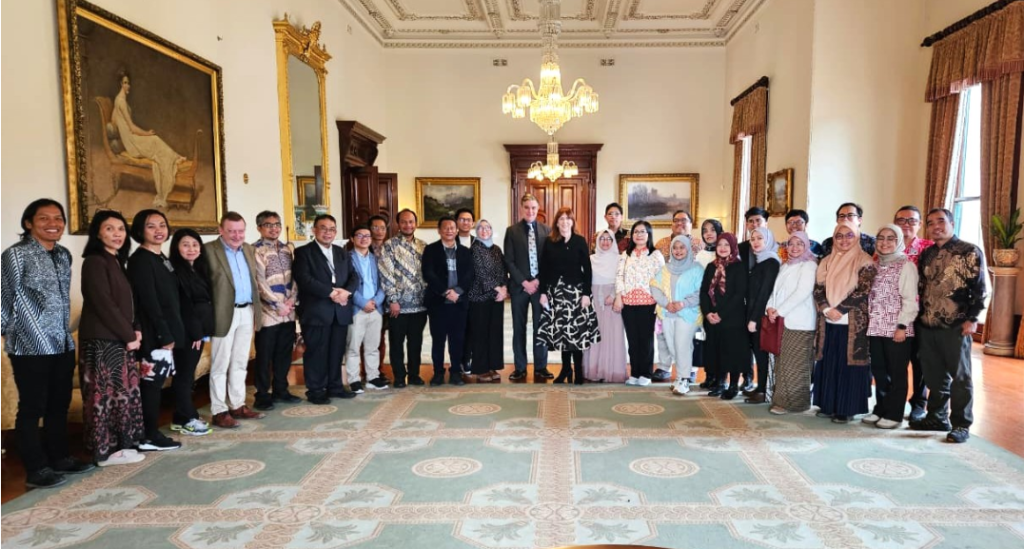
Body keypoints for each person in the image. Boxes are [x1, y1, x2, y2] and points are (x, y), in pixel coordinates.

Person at [2, 199, 96, 487]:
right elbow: (4, 297)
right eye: (44, 218)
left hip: (61, 342)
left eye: (58, 218)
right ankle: (36, 469)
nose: (53, 223)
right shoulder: (15, 255)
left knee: (59, 403)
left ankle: (60, 458)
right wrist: (6, 332)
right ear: (28, 223)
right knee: (32, 407)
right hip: (29, 345)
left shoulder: (63, 255)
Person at [79, 211, 146, 466]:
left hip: (119, 339)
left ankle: (120, 446)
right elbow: (103, 304)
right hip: (102, 341)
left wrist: (136, 329)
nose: (117, 234)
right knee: (103, 398)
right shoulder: (94, 261)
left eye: (121, 229)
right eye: (109, 229)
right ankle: (104, 452)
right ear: (97, 233)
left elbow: (129, 302)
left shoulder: (117, 260)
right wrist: (128, 335)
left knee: (121, 396)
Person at [913, 208, 986, 443]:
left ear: (952, 223)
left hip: (956, 324)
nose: (936, 226)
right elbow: (922, 287)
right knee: (934, 376)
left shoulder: (969, 251)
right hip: (927, 323)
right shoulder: (927, 253)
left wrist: (972, 319)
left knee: (960, 377)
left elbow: (979, 288)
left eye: (941, 221)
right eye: (930, 223)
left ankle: (961, 424)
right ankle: (936, 417)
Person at [127, 209, 183, 450]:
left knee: (156, 384)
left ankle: (150, 432)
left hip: (165, 331)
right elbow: (148, 302)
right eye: (151, 226)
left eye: (162, 225)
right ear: (140, 230)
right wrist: (164, 334)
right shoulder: (140, 260)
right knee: (150, 385)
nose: (158, 230)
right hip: (153, 334)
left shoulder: (161, 258)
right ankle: (149, 435)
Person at [203, 212, 265, 428]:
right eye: (231, 231)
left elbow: (254, 282)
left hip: (247, 310)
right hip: (222, 313)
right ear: (221, 230)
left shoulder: (248, 249)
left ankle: (237, 405)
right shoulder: (209, 250)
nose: (237, 236)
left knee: (240, 361)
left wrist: (256, 313)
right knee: (220, 363)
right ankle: (219, 410)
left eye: (241, 231)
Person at [812, 225, 876, 424]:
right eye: (839, 236)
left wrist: (840, 309)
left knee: (849, 366)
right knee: (829, 362)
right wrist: (826, 309)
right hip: (828, 321)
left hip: (853, 323)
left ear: (857, 237)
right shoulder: (826, 261)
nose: (844, 240)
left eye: (849, 235)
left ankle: (846, 409)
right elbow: (818, 289)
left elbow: (863, 290)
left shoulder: (865, 261)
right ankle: (827, 404)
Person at [293, 215, 360, 404]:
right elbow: (304, 279)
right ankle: (316, 390)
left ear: (336, 232)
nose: (327, 232)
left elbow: (354, 276)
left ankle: (335, 387)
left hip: (340, 310)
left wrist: (346, 292)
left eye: (331, 229)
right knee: (317, 352)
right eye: (323, 228)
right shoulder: (303, 252)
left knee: (336, 351)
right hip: (317, 310)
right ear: (314, 230)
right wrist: (331, 293)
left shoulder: (341, 252)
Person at [864, 225, 919, 430]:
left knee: (896, 373)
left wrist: (902, 326)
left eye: (891, 238)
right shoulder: (876, 265)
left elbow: (910, 300)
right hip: (876, 327)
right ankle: (881, 409)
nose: (885, 243)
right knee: (879, 371)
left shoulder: (906, 265)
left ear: (899, 242)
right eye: (881, 238)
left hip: (898, 329)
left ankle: (895, 414)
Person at [537, 208, 600, 385]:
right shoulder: (549, 242)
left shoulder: (580, 241)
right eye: (561, 219)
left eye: (568, 219)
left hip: (576, 293)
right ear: (556, 223)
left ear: (572, 222)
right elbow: (544, 269)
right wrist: (543, 293)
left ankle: (578, 371)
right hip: (556, 293)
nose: (565, 222)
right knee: (562, 332)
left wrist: (586, 294)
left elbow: (587, 270)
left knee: (576, 333)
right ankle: (565, 369)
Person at [112, 69, 188, 209]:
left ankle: (175, 157)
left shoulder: (119, 100)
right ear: (120, 84)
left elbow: (114, 120)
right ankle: (175, 158)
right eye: (125, 83)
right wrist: (146, 133)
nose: (128, 85)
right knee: (154, 139)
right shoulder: (120, 101)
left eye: (128, 83)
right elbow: (132, 128)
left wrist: (120, 127)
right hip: (132, 143)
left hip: (131, 138)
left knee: (156, 143)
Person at [765, 231, 818, 414]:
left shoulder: (809, 265)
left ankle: (797, 403)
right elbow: (775, 291)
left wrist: (779, 311)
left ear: (806, 246)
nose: (794, 248)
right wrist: (769, 308)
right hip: (782, 321)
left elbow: (802, 292)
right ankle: (781, 400)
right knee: (782, 363)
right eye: (791, 244)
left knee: (795, 364)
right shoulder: (786, 265)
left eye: (799, 244)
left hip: (800, 323)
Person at [168, 229, 214, 436]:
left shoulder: (198, 269)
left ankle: (179, 417)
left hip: (199, 331)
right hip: (187, 332)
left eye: (195, 245)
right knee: (184, 376)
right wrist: (195, 333)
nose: (191, 249)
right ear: (176, 247)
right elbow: (184, 306)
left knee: (187, 374)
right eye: (185, 245)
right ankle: (188, 418)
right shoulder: (175, 272)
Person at [252, 211, 299, 411]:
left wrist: (291, 300)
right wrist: (277, 304)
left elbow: (295, 277)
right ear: (259, 228)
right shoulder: (255, 250)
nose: (274, 228)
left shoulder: (288, 249)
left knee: (284, 354)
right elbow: (259, 282)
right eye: (268, 225)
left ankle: (281, 390)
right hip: (268, 313)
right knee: (264, 356)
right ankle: (262, 394)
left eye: (277, 224)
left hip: (288, 311)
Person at [504, 194, 553, 382]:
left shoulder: (547, 230)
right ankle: (520, 368)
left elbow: (549, 260)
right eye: (527, 207)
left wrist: (538, 281)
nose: (530, 211)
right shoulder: (512, 231)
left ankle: (541, 367)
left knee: (540, 327)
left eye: (533, 207)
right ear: (521, 209)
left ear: (537, 209)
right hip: (519, 288)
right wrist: (524, 282)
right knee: (519, 328)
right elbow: (509, 260)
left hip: (540, 288)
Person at [422, 216, 475, 386]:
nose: (449, 230)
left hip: (459, 303)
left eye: (452, 227)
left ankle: (455, 372)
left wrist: (457, 291)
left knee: (457, 340)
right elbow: (428, 274)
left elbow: (470, 275)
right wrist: (445, 292)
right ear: (439, 230)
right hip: (438, 303)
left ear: (457, 230)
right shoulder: (431, 250)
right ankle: (438, 373)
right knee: (438, 340)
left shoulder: (465, 251)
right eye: (445, 227)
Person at [379, 209, 428, 388]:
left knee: (416, 342)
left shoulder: (423, 246)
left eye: (411, 221)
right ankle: (399, 376)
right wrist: (392, 300)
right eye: (404, 222)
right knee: (396, 342)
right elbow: (386, 274)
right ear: (398, 224)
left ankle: (414, 374)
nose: (408, 225)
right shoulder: (389, 245)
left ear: (416, 223)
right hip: (397, 305)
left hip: (420, 304)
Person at [894, 205, 934, 421]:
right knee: (896, 361)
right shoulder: (887, 247)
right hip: (893, 314)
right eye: (901, 220)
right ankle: (894, 402)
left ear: (919, 224)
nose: (906, 224)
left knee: (920, 361)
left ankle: (919, 403)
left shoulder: (929, 248)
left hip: (921, 314)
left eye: (911, 220)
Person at [651, 235, 704, 395]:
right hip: (668, 313)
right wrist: (666, 303)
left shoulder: (697, 268)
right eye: (675, 247)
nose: (678, 251)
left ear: (688, 249)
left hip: (688, 314)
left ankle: (684, 379)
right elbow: (654, 286)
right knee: (673, 347)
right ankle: (680, 377)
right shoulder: (666, 269)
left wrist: (683, 303)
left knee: (682, 346)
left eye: (682, 247)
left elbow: (701, 291)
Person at [616, 220, 666, 386]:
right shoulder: (625, 254)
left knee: (645, 340)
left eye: (642, 231)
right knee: (632, 340)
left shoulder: (655, 255)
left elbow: (662, 279)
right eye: (636, 232)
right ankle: (635, 373)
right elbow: (619, 276)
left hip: (648, 303)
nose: (639, 235)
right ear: (632, 235)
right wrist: (619, 296)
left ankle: (646, 373)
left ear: (648, 234)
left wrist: (660, 302)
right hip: (628, 303)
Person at [700, 233, 748, 399]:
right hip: (712, 318)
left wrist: (720, 314)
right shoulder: (711, 266)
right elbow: (704, 292)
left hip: (732, 317)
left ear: (733, 247)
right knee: (717, 351)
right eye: (720, 244)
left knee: (732, 352)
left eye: (727, 245)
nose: (722, 248)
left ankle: (733, 385)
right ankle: (720, 383)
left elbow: (739, 294)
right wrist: (707, 313)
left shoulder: (739, 266)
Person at [346, 224, 388, 392]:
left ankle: (373, 377)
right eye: (360, 235)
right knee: (353, 346)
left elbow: (383, 283)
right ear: (352, 238)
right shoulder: (346, 258)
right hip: (357, 308)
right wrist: (362, 302)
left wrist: (376, 301)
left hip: (376, 308)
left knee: (373, 346)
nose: (364, 239)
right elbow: (345, 284)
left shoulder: (376, 258)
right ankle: (354, 380)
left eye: (367, 236)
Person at [583, 230, 628, 383]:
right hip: (594, 300)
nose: (605, 242)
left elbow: (623, 279)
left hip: (613, 300)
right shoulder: (590, 259)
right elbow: (585, 280)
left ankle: (612, 371)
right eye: (602, 238)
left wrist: (614, 295)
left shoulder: (620, 259)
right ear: (597, 241)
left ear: (613, 241)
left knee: (613, 335)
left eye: (609, 239)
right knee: (595, 334)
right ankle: (594, 370)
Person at [466, 219, 508, 383]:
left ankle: (492, 366)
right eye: (481, 228)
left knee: (494, 334)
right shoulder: (474, 249)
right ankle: (481, 369)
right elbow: (480, 273)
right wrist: (498, 288)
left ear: (491, 230)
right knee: (480, 334)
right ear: (476, 231)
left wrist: (504, 288)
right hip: (479, 298)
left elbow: (504, 270)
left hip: (496, 299)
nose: (484, 230)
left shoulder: (496, 249)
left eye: (487, 228)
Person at [742, 227, 781, 404]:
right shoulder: (760, 261)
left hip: (761, 317)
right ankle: (760, 388)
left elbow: (764, 293)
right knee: (758, 354)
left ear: (768, 240)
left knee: (762, 355)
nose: (756, 242)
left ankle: (764, 391)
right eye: (753, 239)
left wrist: (754, 319)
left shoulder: (771, 262)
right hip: (754, 314)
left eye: (760, 238)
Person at [695, 218, 723, 389]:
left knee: (721, 344)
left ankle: (720, 378)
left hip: (722, 306)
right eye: (705, 231)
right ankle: (710, 375)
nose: (709, 233)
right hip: (705, 305)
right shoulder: (700, 255)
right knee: (708, 342)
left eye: (712, 230)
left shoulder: (725, 254)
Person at [454, 208, 476, 372]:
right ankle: (456, 360)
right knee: (457, 328)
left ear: (473, 223)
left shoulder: (478, 242)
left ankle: (467, 359)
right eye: (462, 219)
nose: (465, 222)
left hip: (475, 292)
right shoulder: (450, 241)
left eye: (468, 220)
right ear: (456, 222)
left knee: (471, 328)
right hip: (456, 291)